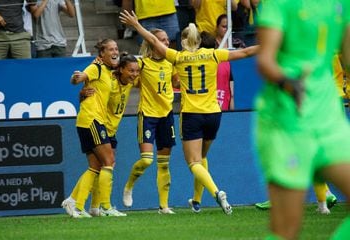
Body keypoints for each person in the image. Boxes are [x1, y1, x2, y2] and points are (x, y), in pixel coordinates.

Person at [120, 9, 258, 215]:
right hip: (214, 114)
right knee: (202, 158)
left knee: (193, 162)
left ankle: (216, 192)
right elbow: (246, 52)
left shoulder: (178, 58)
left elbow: (152, 41)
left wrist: (137, 25)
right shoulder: (213, 54)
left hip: (192, 114)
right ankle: (196, 200)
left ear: (184, 41)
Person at [255, 0, 350, 239]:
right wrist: (289, 83)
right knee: (286, 230)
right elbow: (265, 60)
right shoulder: (280, 4)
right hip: (288, 120)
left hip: (329, 117)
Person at [62, 39, 140, 218]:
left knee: (95, 167)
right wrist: (77, 79)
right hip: (92, 120)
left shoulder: (109, 72)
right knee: (109, 161)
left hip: (96, 122)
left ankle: (76, 203)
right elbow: (80, 77)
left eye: (116, 49)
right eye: (110, 49)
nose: (114, 51)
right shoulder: (96, 67)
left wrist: (82, 92)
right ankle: (105, 206)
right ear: (101, 54)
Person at [122, 28, 180, 214]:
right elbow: (130, 78)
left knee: (164, 163)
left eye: (167, 40)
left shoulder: (172, 62)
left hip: (167, 115)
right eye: (161, 40)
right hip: (147, 115)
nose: (166, 43)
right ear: (152, 43)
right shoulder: (143, 64)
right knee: (147, 160)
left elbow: (177, 82)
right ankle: (129, 186)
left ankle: (164, 206)